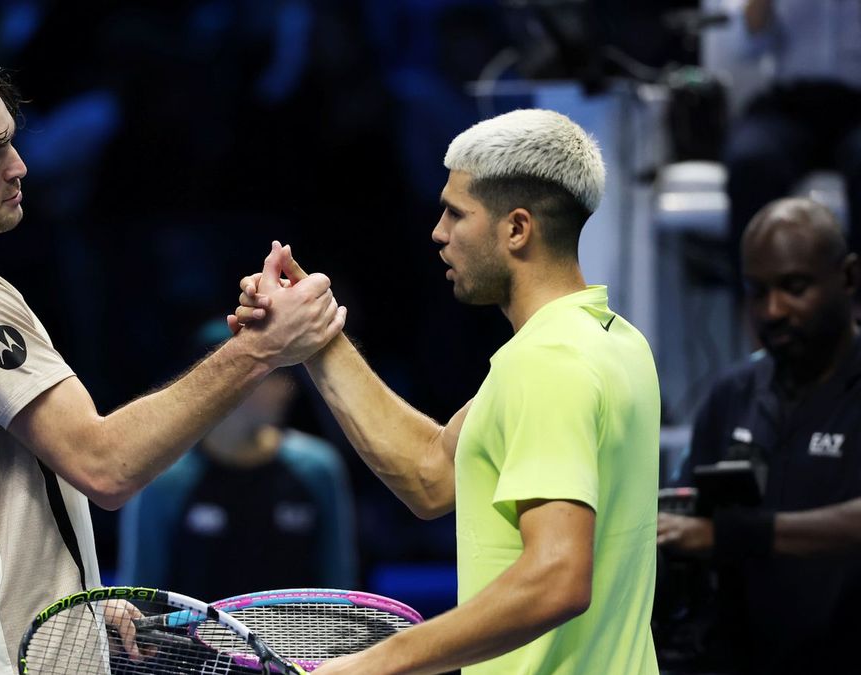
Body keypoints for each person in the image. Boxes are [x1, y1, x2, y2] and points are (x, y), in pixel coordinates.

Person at [0, 36, 345, 674]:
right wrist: (261, 349)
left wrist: (68, 598)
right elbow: (106, 466)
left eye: (10, 141)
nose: (19, 167)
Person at [232, 109, 661, 673]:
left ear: (517, 229)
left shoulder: (547, 363)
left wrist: (375, 663)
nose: (438, 232)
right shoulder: (613, 341)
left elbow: (558, 578)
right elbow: (430, 475)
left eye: (457, 213)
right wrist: (313, 334)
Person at [658, 197, 861, 674]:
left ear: (849, 278)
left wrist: (734, 535)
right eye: (757, 291)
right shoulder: (734, 393)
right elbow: (685, 515)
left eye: (794, 287)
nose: (773, 310)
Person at [118, 319, 357, 600]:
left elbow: (339, 590)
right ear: (222, 382)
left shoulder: (318, 469)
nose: (286, 388)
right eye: (272, 373)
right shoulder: (164, 480)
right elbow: (139, 596)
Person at [724, 0, 861, 262]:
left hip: (855, 104)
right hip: (790, 103)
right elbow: (745, 44)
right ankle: (756, 286)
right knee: (751, 162)